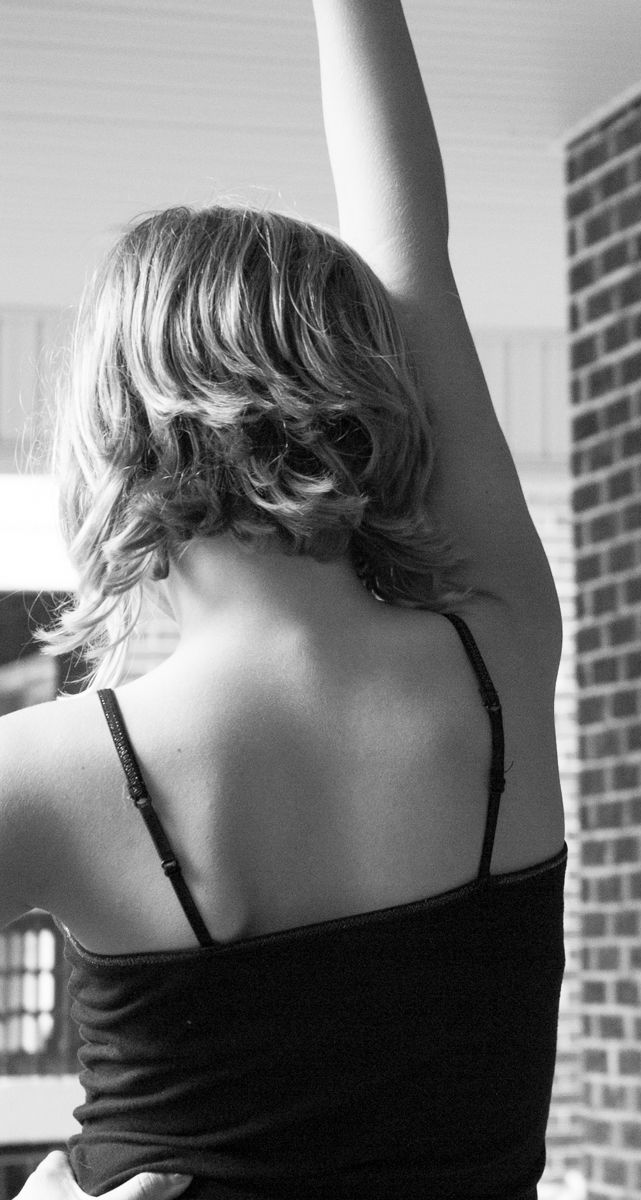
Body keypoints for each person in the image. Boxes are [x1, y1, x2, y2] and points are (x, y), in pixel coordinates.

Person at [0, 1, 566, 1195]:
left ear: (113, 436)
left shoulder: (49, 778)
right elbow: (416, 260)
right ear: (375, 396)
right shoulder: (498, 656)